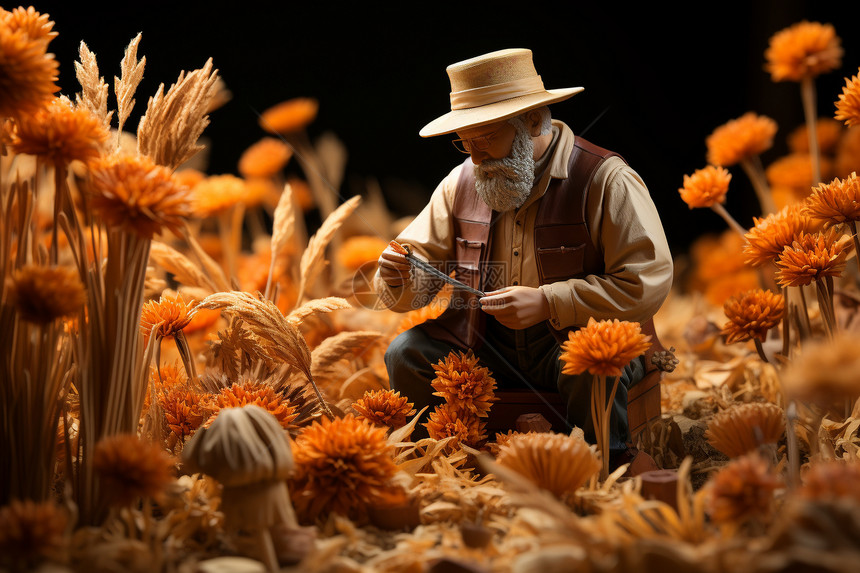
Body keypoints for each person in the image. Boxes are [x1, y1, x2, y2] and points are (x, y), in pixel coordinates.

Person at [374, 48, 673, 465]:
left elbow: (646, 283)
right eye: (466, 142)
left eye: (487, 137)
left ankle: (602, 465)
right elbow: (417, 266)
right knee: (406, 353)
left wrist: (550, 302)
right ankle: (439, 458)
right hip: (483, 343)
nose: (475, 156)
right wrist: (399, 276)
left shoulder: (605, 180)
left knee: (593, 362)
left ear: (533, 121)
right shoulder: (460, 183)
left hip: (571, 339)